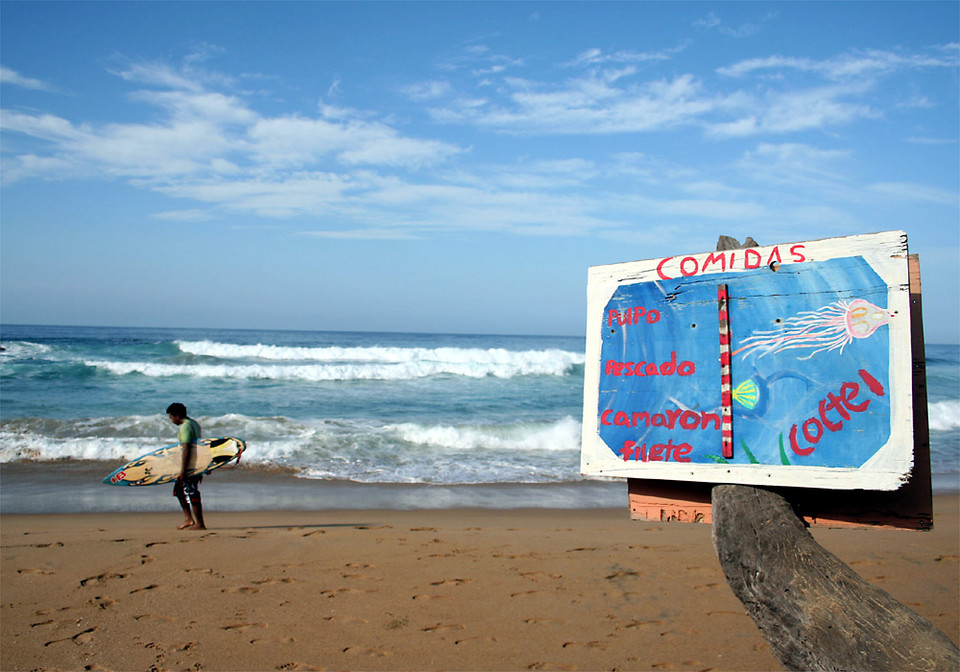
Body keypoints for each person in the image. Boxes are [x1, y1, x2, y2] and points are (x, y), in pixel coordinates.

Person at [166, 403, 205, 530]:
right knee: (180, 491)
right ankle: (189, 519)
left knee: (191, 493)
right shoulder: (193, 423)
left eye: (171, 417)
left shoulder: (185, 427)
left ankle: (199, 523)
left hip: (190, 466)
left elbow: (186, 449)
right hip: (196, 464)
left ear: (177, 416)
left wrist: (183, 471)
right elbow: (200, 446)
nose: (171, 420)